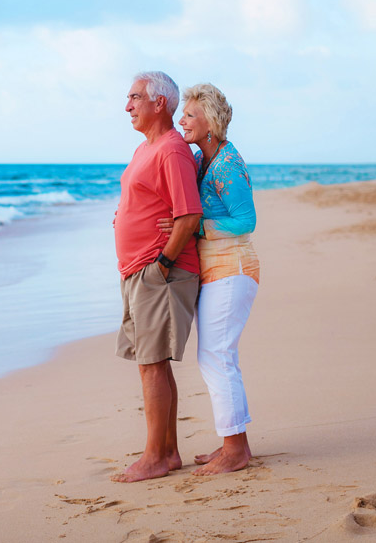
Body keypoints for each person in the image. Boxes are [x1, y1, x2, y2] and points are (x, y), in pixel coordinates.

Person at [159, 82, 260, 475]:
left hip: (233, 268)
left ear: (211, 123)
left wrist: (199, 225)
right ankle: (232, 444)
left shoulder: (228, 165)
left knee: (216, 356)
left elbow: (246, 220)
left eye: (189, 115)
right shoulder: (205, 160)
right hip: (218, 270)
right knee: (219, 356)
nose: (181, 120)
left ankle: (235, 450)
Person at [110, 71, 203, 483]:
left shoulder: (171, 150)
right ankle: (167, 452)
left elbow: (189, 215)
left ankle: (154, 458)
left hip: (160, 273)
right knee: (153, 365)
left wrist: (161, 266)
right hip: (138, 272)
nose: (127, 106)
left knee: (152, 365)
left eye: (134, 97)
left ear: (159, 102)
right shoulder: (143, 149)